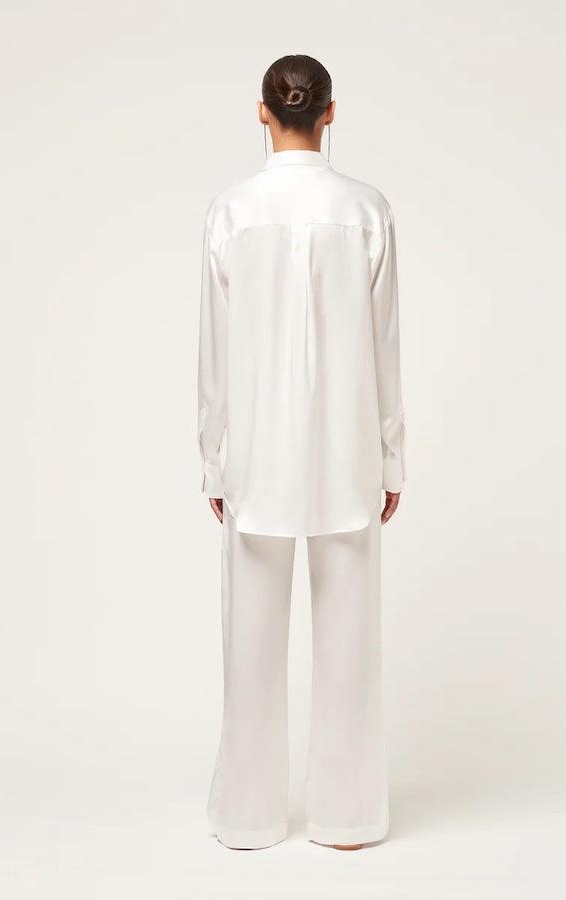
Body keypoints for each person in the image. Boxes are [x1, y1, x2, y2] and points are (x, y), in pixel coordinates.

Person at [197, 54, 406, 851]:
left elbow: (215, 351)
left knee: (247, 647)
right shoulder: (367, 210)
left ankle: (247, 818)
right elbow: (386, 347)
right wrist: (390, 457)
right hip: (347, 455)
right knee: (351, 645)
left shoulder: (231, 212)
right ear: (330, 111)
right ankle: (348, 818)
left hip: (255, 457)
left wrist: (215, 455)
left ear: (262, 112)